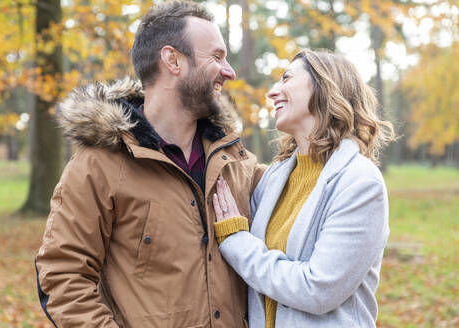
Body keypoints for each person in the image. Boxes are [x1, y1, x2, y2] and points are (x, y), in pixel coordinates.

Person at [35, 1, 264, 327]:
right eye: (216, 57)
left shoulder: (236, 161)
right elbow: (62, 276)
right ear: (173, 60)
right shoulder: (98, 164)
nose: (230, 71)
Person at [212, 49, 395, 328]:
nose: (273, 93)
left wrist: (236, 241)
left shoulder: (360, 182)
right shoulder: (274, 179)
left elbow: (318, 290)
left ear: (324, 86)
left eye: (286, 78)